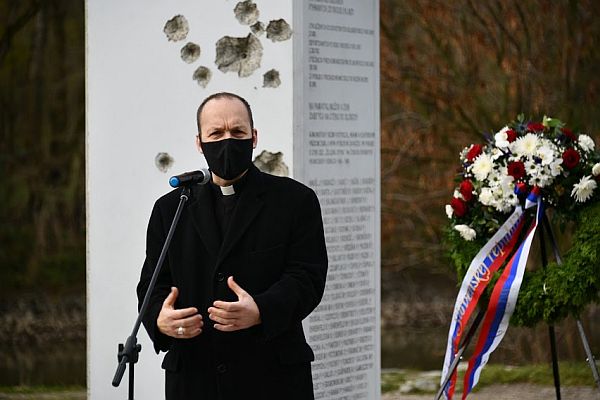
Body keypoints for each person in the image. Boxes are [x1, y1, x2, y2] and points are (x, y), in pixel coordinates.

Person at [137, 92, 328, 400]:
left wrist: (261, 310)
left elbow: (307, 278)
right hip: (194, 379)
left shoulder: (295, 201)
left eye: (237, 132)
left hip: (271, 378)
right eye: (216, 133)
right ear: (199, 142)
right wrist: (161, 318)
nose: (227, 141)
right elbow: (153, 284)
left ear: (253, 138)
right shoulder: (171, 208)